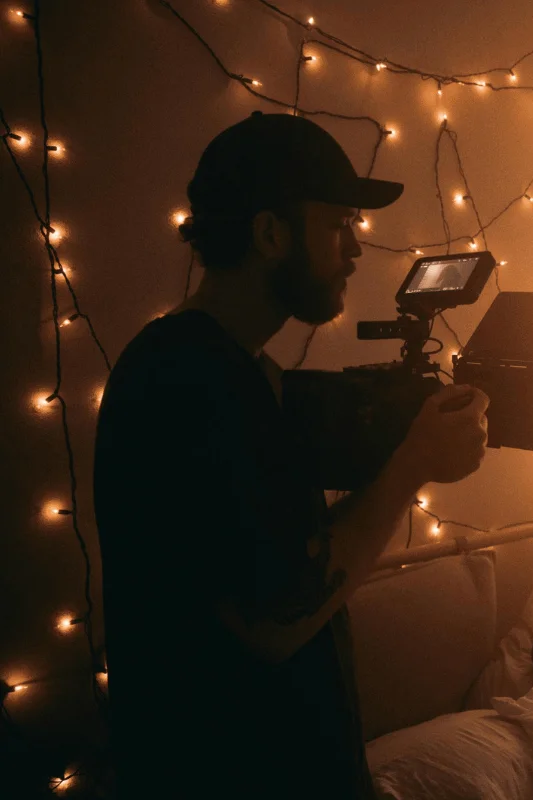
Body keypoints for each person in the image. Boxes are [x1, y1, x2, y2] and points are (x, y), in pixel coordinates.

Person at [93, 112, 489, 799]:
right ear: (270, 233)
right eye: (338, 226)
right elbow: (276, 618)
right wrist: (412, 465)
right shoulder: (189, 382)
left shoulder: (232, 370)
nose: (355, 249)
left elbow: (278, 540)